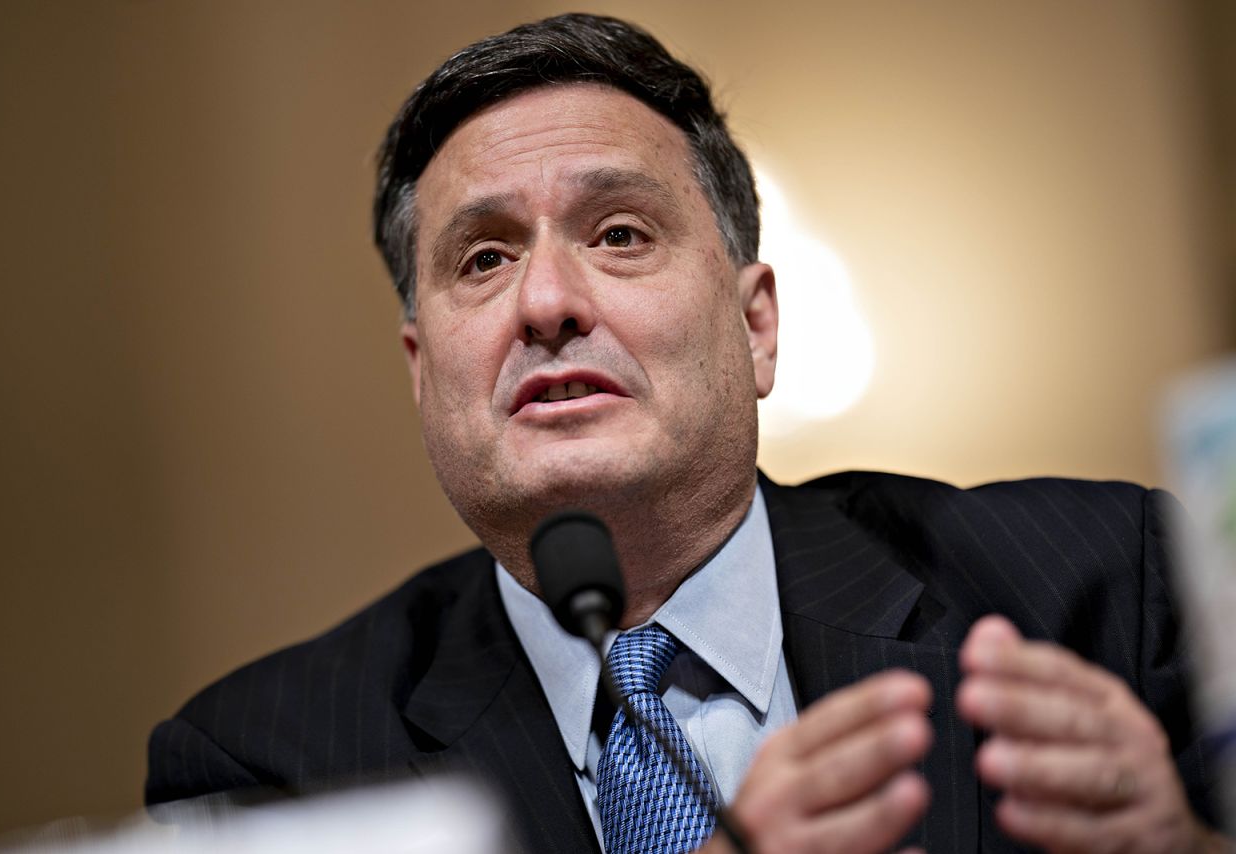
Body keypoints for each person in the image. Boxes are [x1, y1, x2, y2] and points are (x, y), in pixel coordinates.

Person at [146, 13, 1227, 853]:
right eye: (482, 259)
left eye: (618, 234)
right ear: (423, 370)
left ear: (756, 327)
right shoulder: (271, 759)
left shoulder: (1097, 587)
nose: (545, 302)